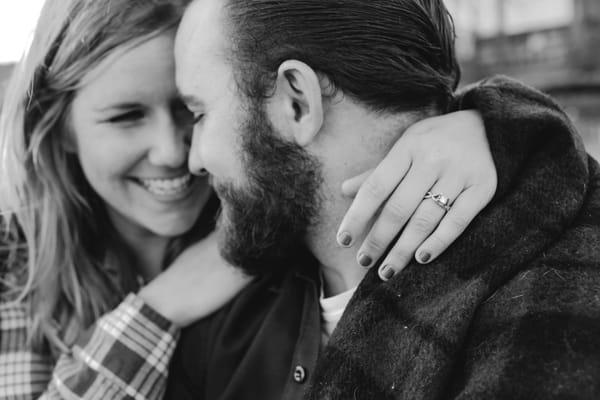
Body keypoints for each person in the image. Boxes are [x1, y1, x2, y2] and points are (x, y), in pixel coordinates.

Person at [0, 0, 500, 399]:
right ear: (57, 126)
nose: (175, 152)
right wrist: (159, 307)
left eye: (190, 111)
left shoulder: (266, 211)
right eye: (126, 117)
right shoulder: (12, 266)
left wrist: (492, 125)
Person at [167, 0, 600, 399]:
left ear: (297, 102)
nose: (191, 160)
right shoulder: (245, 287)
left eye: (200, 114)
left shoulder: (553, 317)